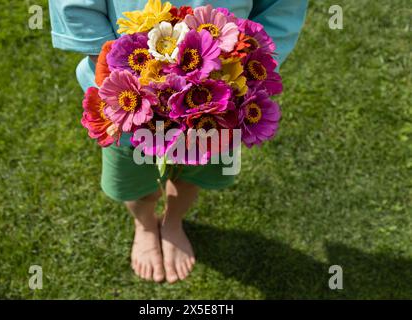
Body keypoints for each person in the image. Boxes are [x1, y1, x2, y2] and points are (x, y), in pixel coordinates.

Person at [49, 0, 308, 283]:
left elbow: (282, 8)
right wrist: (116, 59)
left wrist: (246, 67)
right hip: (127, 103)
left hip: (224, 102)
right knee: (134, 180)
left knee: (193, 173)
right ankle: (145, 224)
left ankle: (173, 220)